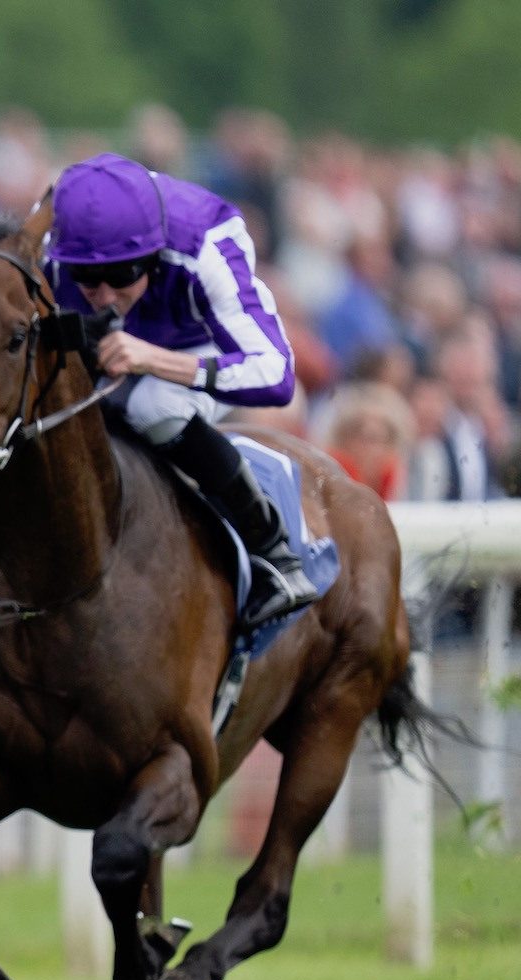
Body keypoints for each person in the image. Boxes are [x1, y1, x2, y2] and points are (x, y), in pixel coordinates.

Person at [46, 152, 318, 627]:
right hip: (106, 345)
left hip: (199, 342)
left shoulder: (207, 243)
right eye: (87, 278)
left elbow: (276, 375)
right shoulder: (50, 248)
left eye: (124, 274)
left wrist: (155, 360)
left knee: (153, 403)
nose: (106, 295)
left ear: (152, 254)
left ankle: (273, 552)